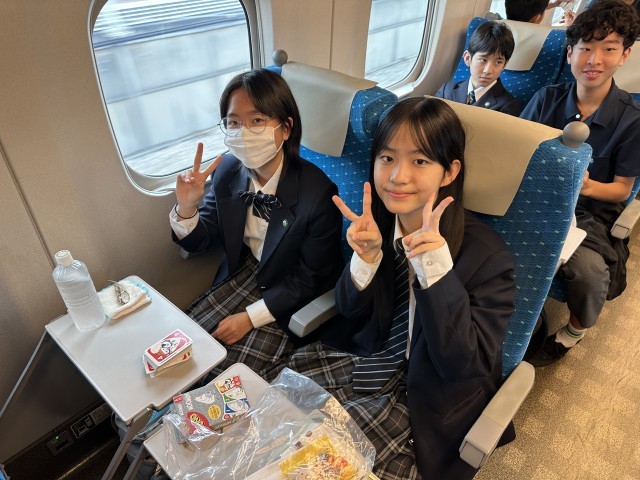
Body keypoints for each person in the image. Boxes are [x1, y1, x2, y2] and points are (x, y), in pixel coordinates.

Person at [267, 97, 516, 479]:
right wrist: (365, 260)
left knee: (323, 466)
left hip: (429, 395)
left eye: (420, 161)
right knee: (274, 431)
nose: (398, 176)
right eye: (387, 158)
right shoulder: (378, 225)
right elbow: (348, 310)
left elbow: (462, 364)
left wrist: (435, 271)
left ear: (449, 172)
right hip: (366, 354)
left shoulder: (488, 258)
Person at [170, 68, 344, 378]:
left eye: (257, 120)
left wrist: (250, 317)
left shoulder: (317, 194)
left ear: (286, 128)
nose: (244, 132)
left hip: (288, 292)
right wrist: (187, 208)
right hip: (242, 274)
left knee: (222, 379)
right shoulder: (227, 171)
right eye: (234, 122)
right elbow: (203, 239)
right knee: (181, 355)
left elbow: (311, 277)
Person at [521, 0, 640, 366]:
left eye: (609, 49)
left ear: (625, 55)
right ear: (570, 52)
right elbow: (518, 153)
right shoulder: (546, 98)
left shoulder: (632, 120)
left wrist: (585, 186)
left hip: (591, 212)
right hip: (536, 199)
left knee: (588, 272)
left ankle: (574, 330)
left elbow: (622, 190)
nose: (594, 60)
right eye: (585, 48)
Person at [435, 21, 520, 116]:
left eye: (498, 62)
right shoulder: (446, 91)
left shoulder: (508, 106)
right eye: (483, 60)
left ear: (505, 64)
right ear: (467, 58)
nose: (488, 71)